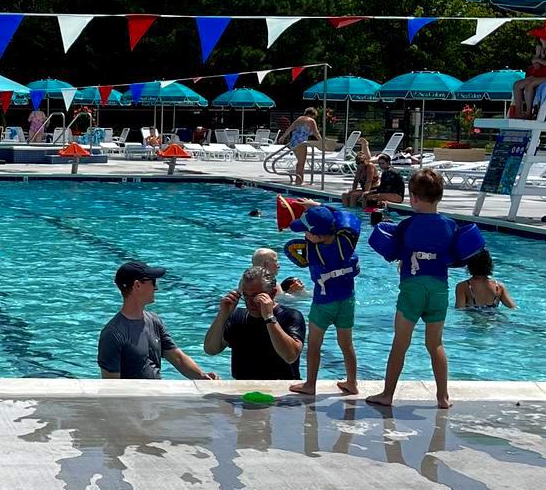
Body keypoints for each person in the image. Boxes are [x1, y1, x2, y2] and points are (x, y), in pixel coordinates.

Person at [364, 167, 484, 409]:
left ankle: (387, 394)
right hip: (439, 289)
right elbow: (455, 257)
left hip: (413, 289)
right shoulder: (450, 225)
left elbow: (394, 251)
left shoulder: (407, 225)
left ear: (413, 197)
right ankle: (443, 397)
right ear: (439, 196)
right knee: (435, 344)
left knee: (401, 342)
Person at [286, 205, 363, 397]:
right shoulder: (346, 242)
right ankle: (352, 383)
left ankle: (310, 384)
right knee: (347, 345)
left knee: (314, 345)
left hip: (323, 304)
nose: (305, 235)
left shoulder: (313, 253)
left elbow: (291, 250)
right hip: (347, 301)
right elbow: (345, 215)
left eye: (307, 232)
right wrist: (319, 208)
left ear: (318, 236)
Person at [98, 261, 219, 381]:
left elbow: (178, 358)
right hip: (133, 399)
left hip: (155, 397)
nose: (156, 288)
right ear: (137, 285)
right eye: (153, 282)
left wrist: (203, 377)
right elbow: (111, 386)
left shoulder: (154, 321)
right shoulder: (113, 334)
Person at [204, 266, 306, 380]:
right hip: (243, 389)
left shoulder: (290, 316)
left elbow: (290, 356)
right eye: (245, 296)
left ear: (272, 294)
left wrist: (269, 317)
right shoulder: (237, 316)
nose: (250, 302)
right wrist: (223, 315)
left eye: (256, 296)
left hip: (281, 389)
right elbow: (210, 349)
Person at [511, 30, 546, 120]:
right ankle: (518, 113)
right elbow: (535, 62)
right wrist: (537, 55)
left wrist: (539, 61)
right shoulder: (541, 47)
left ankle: (528, 113)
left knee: (529, 85)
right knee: (517, 84)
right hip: (541, 74)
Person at [284, 108, 319, 186]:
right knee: (302, 162)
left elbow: (290, 128)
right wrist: (322, 142)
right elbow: (316, 133)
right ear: (311, 114)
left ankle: (298, 179)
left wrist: (282, 137)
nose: (314, 118)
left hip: (293, 142)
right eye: (314, 116)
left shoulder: (299, 119)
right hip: (301, 143)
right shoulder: (311, 121)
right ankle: (300, 181)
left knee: (299, 161)